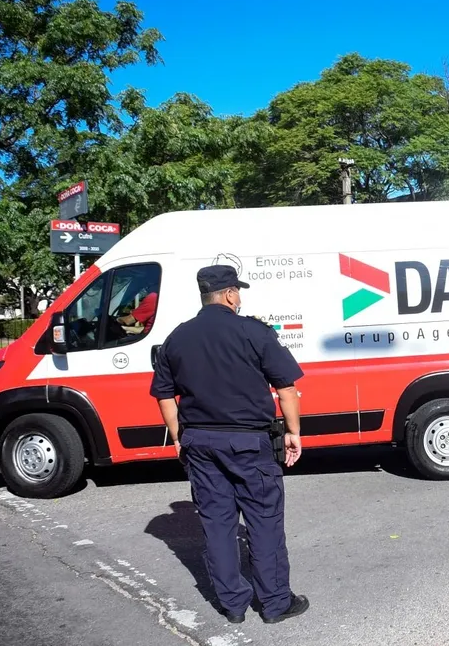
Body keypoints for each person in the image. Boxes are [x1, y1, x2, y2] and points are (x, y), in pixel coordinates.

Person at [149, 264, 309, 625]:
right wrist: (293, 432)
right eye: (238, 292)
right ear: (230, 294)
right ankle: (275, 604)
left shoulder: (178, 337)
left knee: (218, 525)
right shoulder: (253, 331)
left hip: (200, 443)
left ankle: (234, 605)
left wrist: (177, 437)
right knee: (264, 521)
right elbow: (286, 389)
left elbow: (164, 395)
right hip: (249, 443)